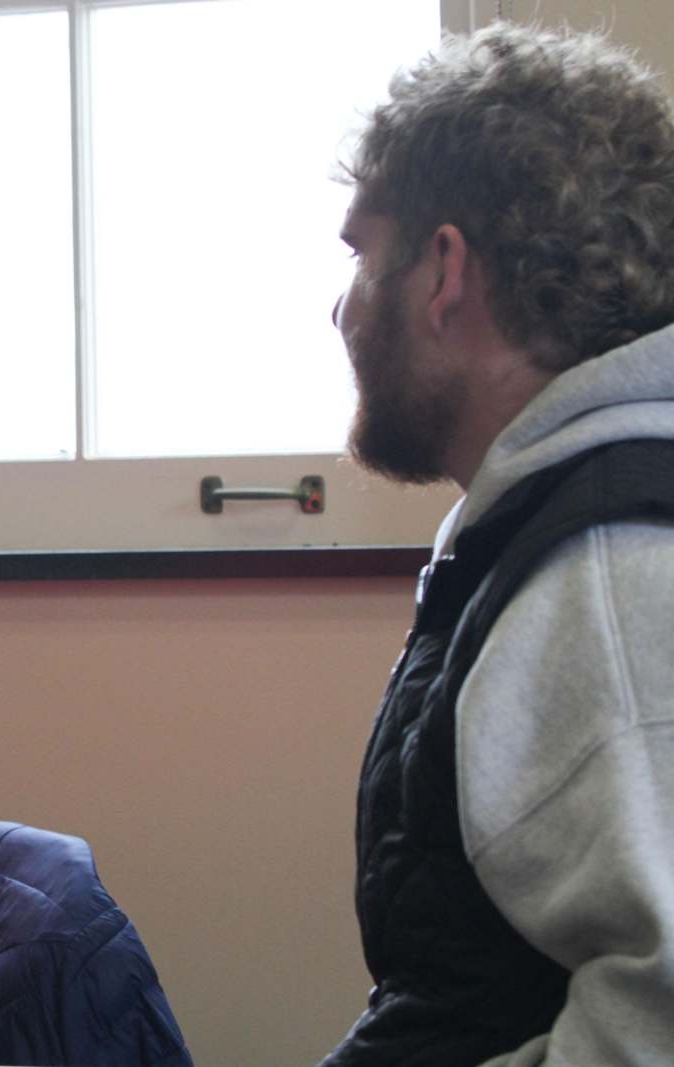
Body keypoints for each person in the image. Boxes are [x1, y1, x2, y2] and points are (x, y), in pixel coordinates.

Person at [321, 22, 674, 1067]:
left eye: (360, 255)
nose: (339, 308)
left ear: (443, 271)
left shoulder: (609, 573)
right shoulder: (551, 524)